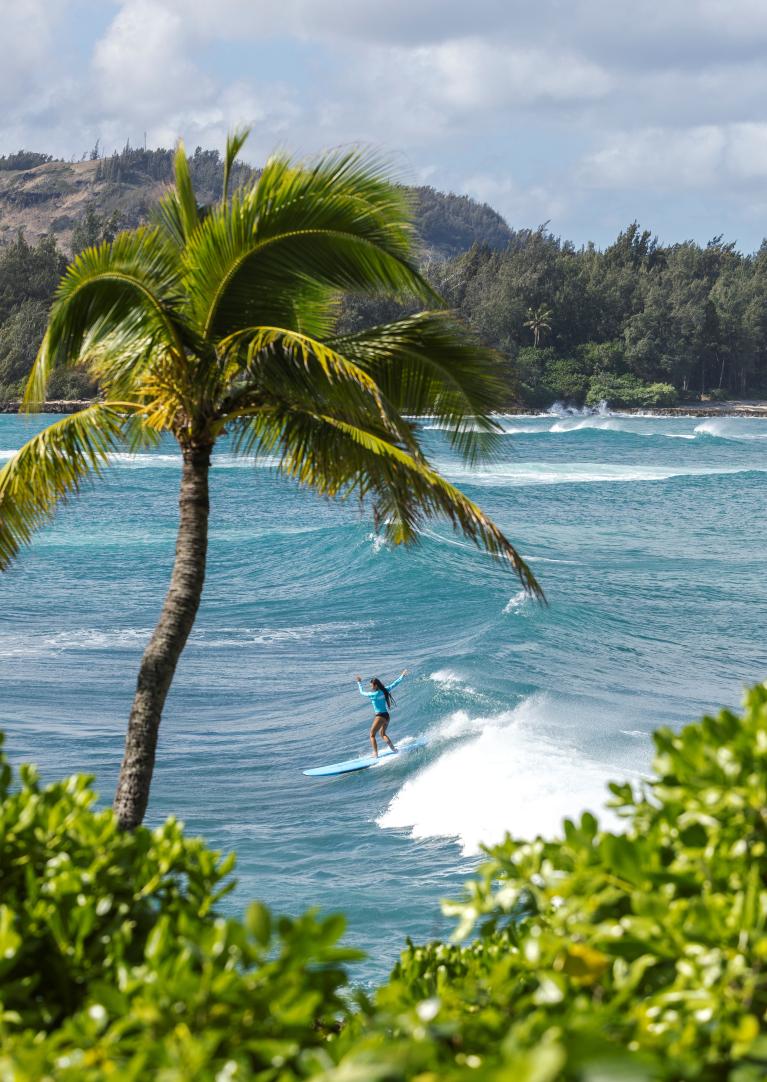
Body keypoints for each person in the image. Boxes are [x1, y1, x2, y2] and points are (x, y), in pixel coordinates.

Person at [355, 669, 409, 758]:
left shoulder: (372, 695)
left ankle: (375, 754)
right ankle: (394, 749)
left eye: (371, 685)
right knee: (382, 734)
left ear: (376, 685)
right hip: (386, 716)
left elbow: (362, 692)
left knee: (372, 735)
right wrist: (402, 676)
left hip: (380, 716)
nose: (371, 687)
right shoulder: (385, 690)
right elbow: (395, 683)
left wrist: (359, 682)